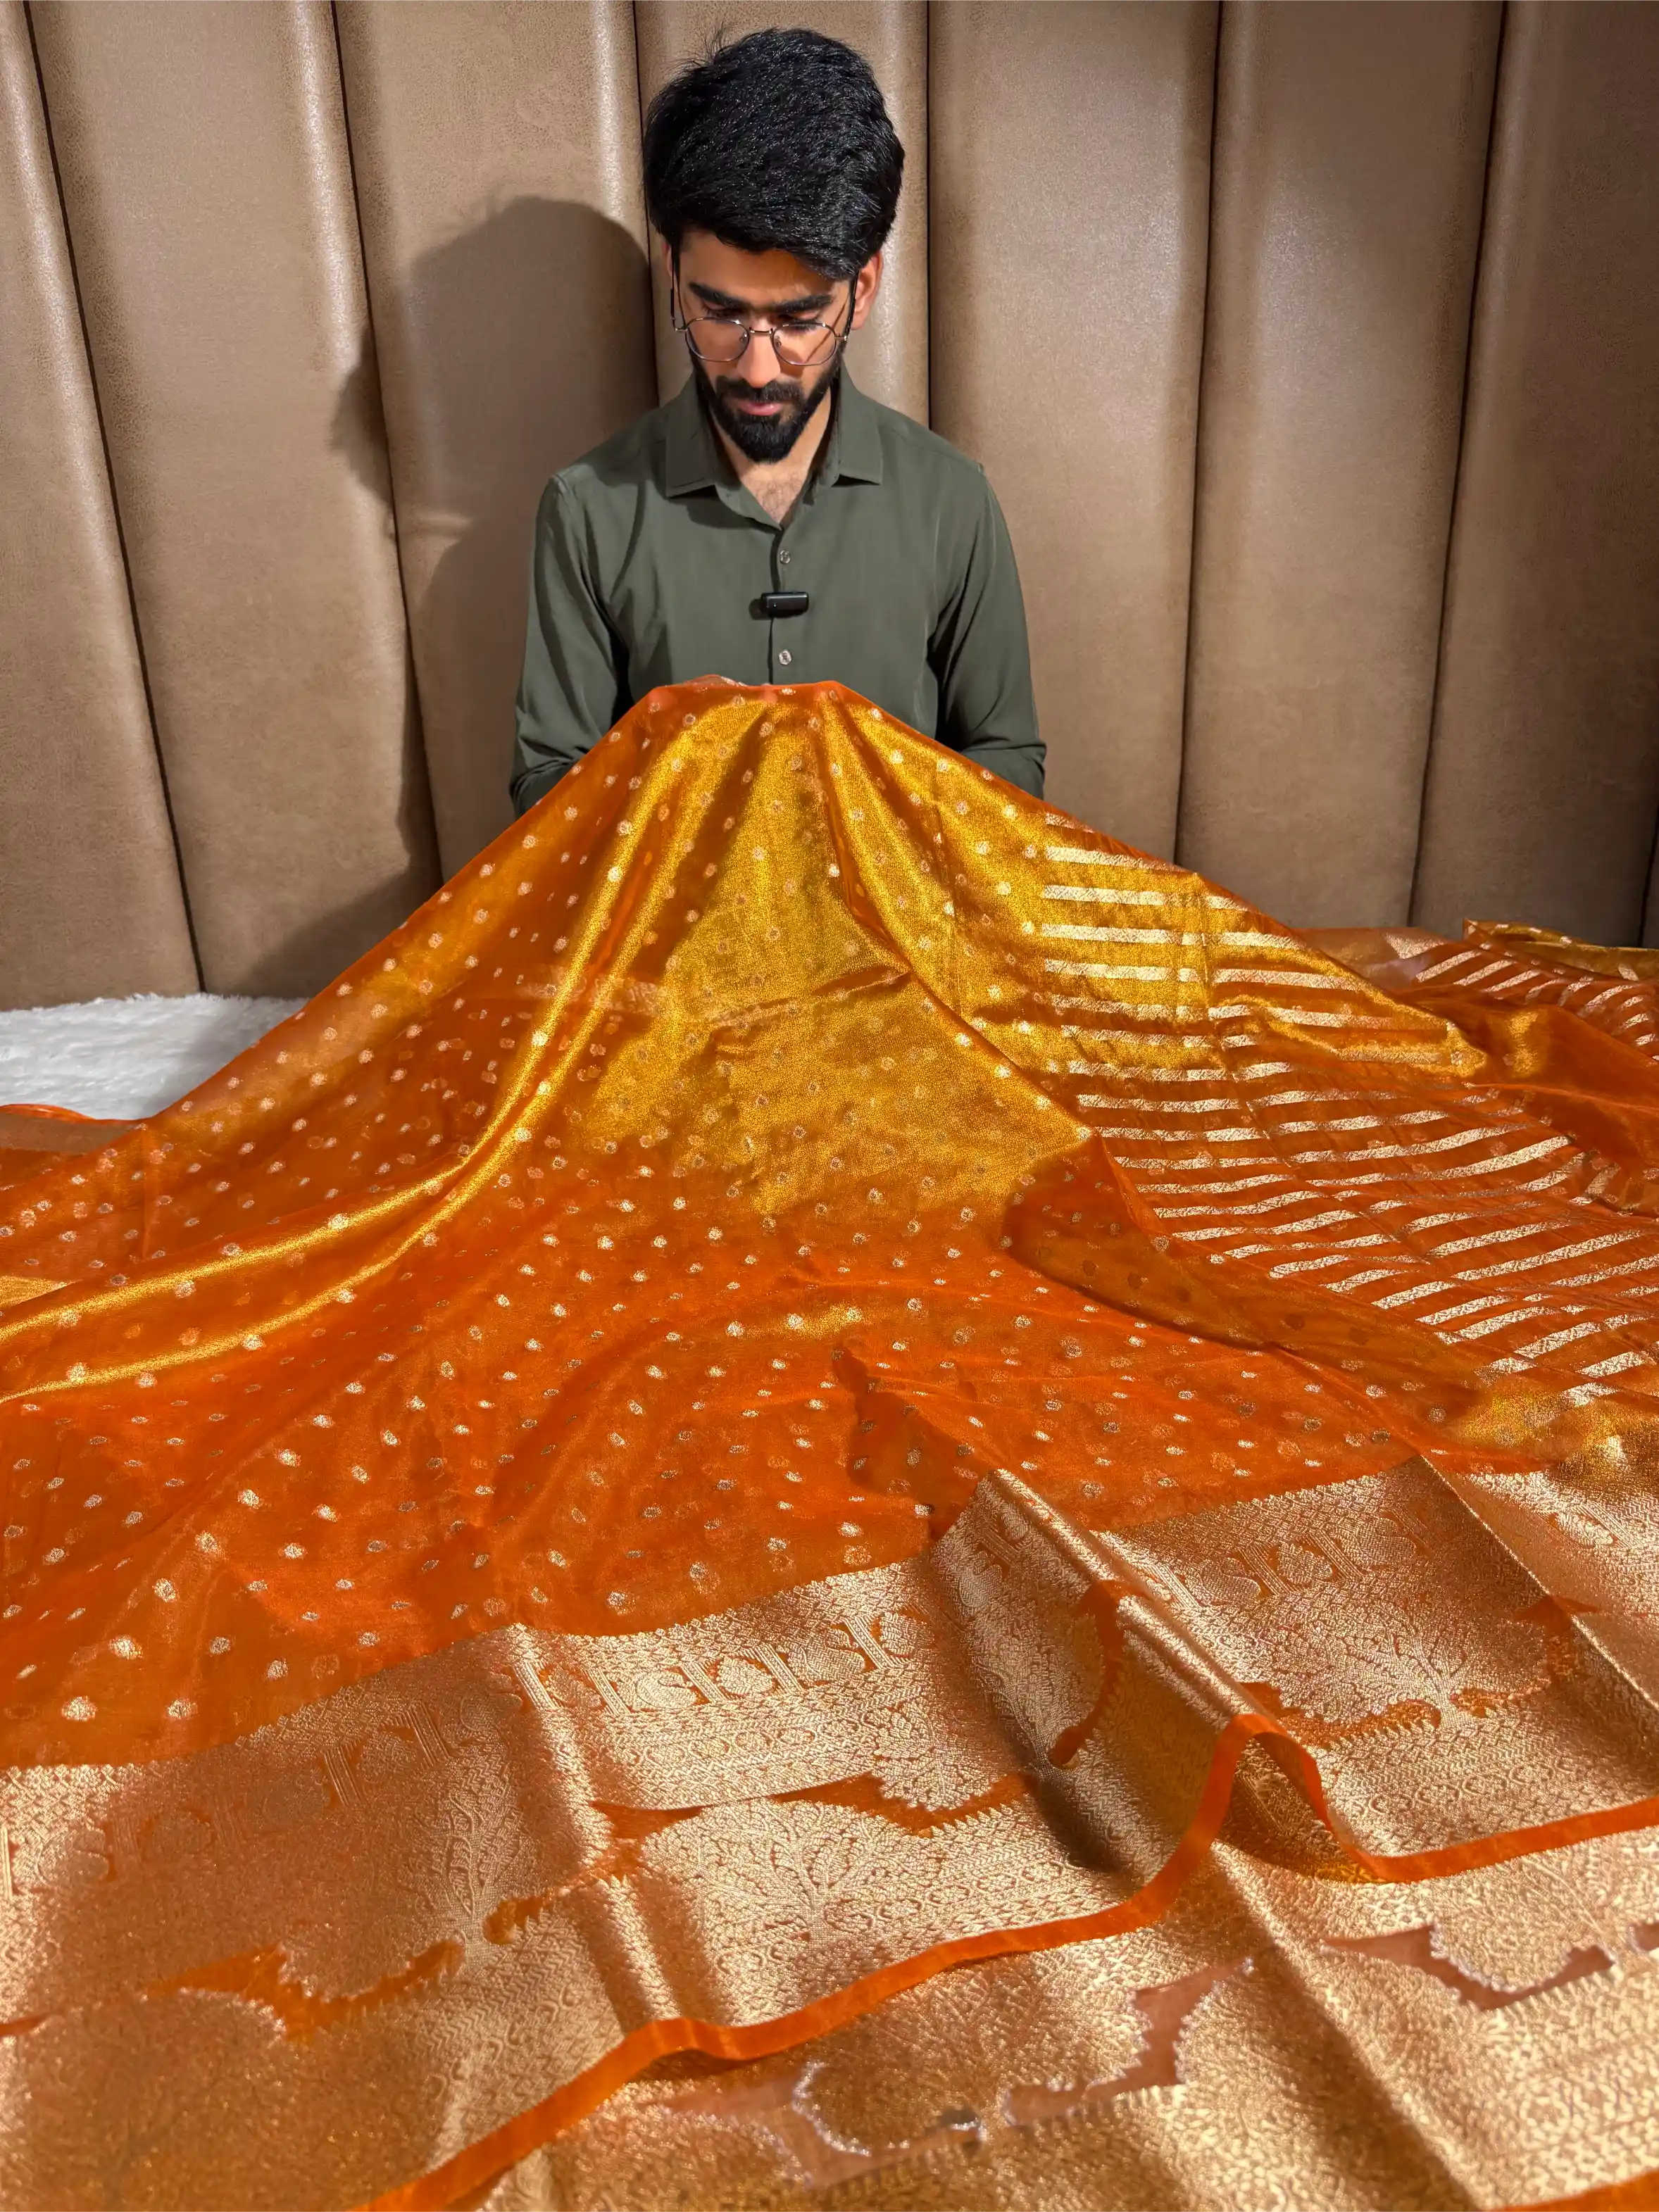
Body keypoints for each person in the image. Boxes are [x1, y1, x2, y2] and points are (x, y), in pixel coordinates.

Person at [510, 27, 1043, 814]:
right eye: (719, 312)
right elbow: (547, 786)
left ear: (860, 290)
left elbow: (1008, 759)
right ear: (674, 276)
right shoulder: (587, 508)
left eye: (799, 320)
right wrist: (688, 763)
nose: (758, 368)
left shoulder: (951, 498)